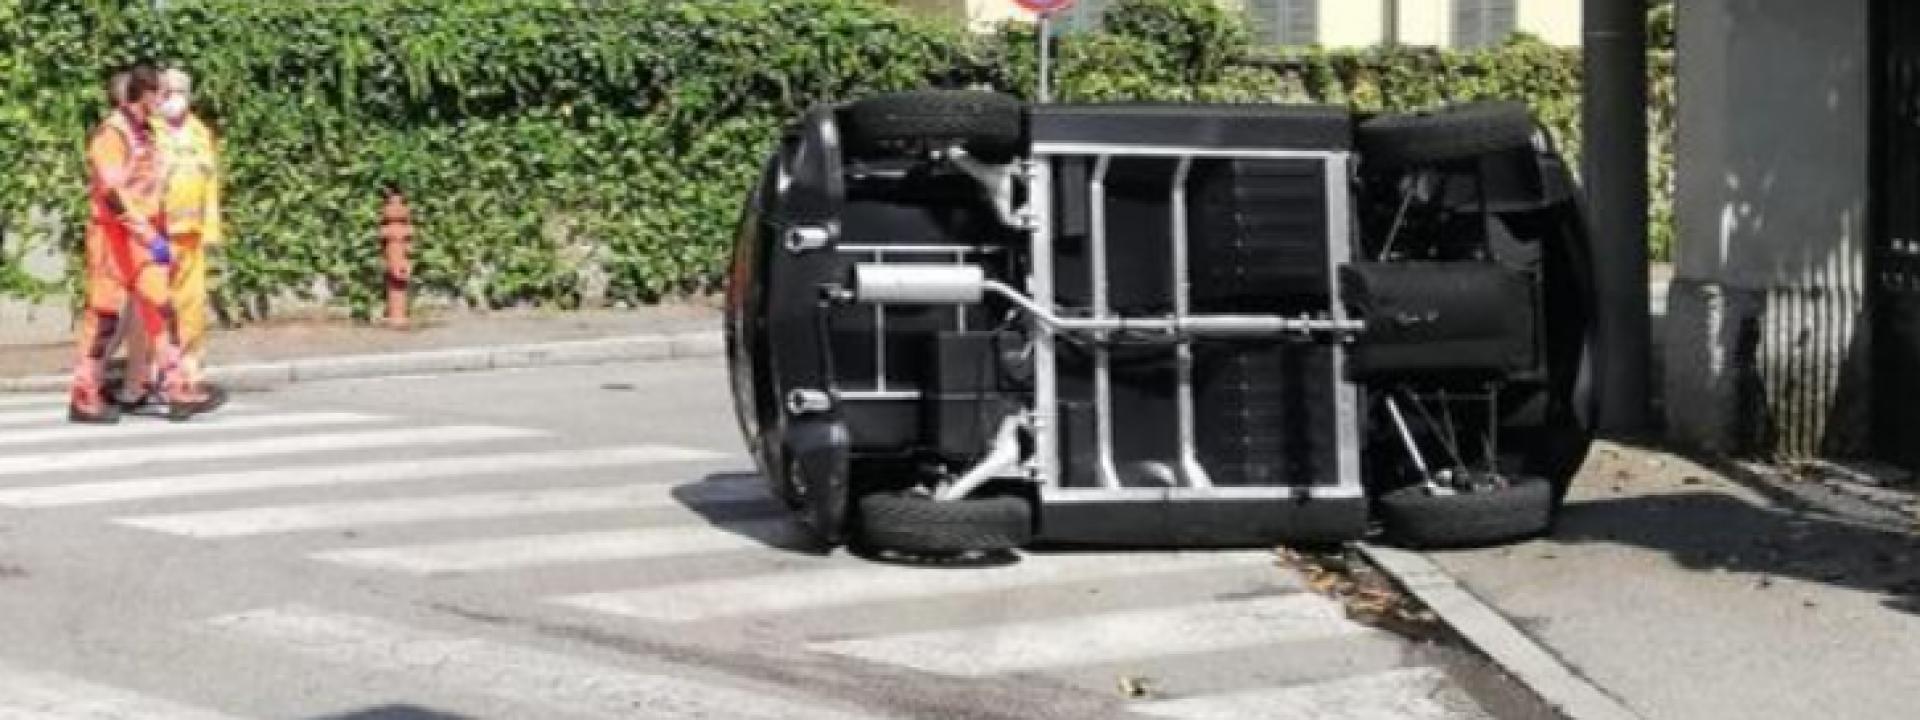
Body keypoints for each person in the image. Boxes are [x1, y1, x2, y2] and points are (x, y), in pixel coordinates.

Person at [68, 62, 214, 423]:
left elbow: (150, 186)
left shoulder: (145, 130)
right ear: (145, 94)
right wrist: (149, 234)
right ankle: (85, 393)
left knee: (162, 307)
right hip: (114, 235)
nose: (167, 101)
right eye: (162, 93)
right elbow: (113, 193)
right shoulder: (113, 133)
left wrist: (157, 232)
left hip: (142, 236)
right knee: (104, 313)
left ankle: (177, 386)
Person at [121, 67, 226, 413]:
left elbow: (210, 184)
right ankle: (151, 376)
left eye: (182, 90)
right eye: (169, 91)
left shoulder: (200, 133)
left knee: (191, 305)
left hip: (191, 234)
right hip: (158, 234)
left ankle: (190, 370)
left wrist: (211, 230)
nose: (174, 97)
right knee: (155, 304)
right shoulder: (150, 132)